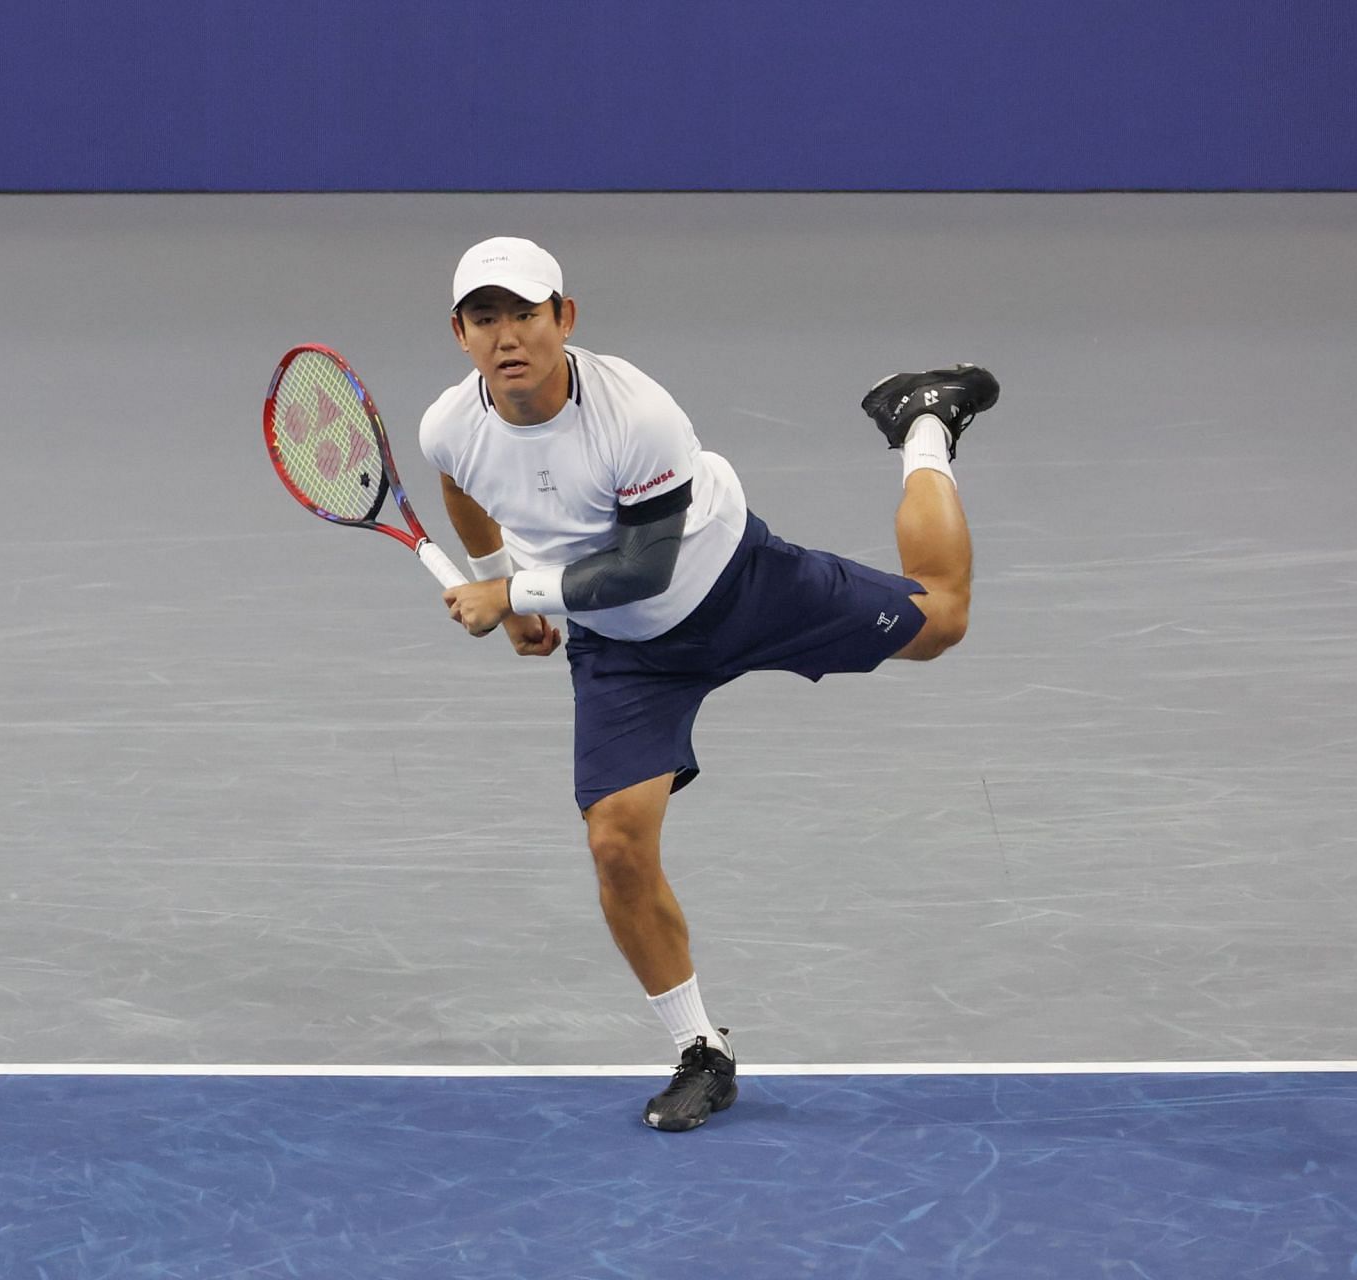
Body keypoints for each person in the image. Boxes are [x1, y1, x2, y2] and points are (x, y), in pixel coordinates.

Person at [420, 236, 998, 1132]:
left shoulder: (637, 415)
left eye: (526, 314)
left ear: (564, 319)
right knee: (616, 845)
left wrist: (511, 593)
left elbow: (645, 570)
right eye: (486, 318)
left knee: (945, 619)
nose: (508, 337)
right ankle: (701, 1050)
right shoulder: (448, 424)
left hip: (738, 586)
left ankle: (923, 426)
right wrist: (502, 571)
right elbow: (463, 481)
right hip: (623, 653)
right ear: (459, 334)